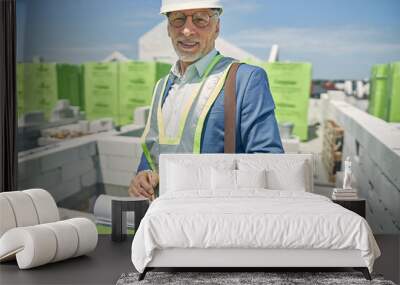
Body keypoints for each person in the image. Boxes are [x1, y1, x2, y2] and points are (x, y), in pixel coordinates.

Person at [128, 0, 284, 199]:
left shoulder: (244, 79)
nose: (187, 30)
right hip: (164, 215)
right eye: (178, 19)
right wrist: (143, 176)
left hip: (214, 215)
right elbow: (153, 150)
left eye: (200, 20)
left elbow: (268, 163)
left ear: (216, 27)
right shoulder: (162, 86)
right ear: (168, 28)